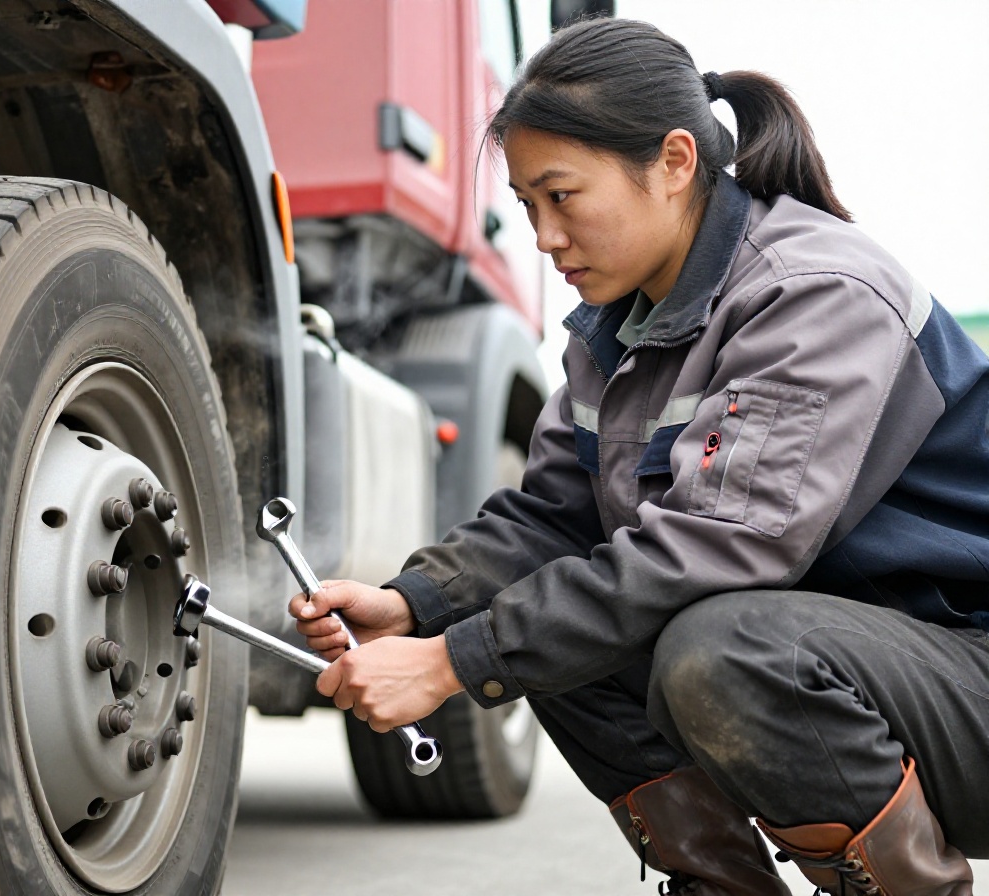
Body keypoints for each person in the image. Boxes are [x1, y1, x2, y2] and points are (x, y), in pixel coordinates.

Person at [289, 17, 989, 896]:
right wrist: (412, 602)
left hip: (967, 668)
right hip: (870, 662)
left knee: (720, 647)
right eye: (528, 207)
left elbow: (722, 544)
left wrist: (449, 664)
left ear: (674, 162)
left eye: (563, 196)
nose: (544, 237)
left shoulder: (812, 294)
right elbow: (551, 519)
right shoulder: (615, 334)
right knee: (545, 628)